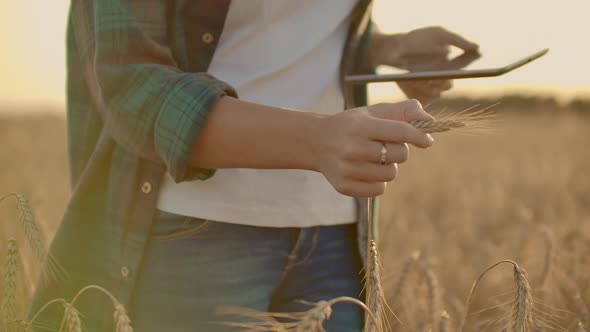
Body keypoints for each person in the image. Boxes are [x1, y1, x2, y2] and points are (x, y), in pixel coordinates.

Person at [30, 0, 478, 331]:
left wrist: (386, 48)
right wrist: (319, 140)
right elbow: (129, 82)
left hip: (334, 232)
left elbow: (293, 31)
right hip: (193, 227)